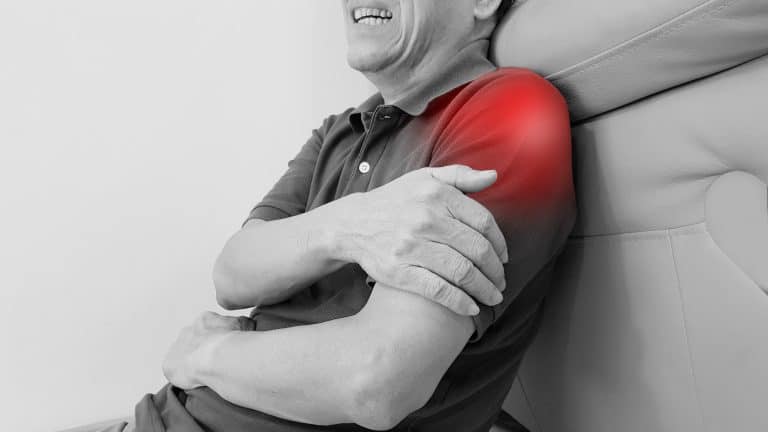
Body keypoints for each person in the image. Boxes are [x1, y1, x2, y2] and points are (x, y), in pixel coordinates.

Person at [84, 0, 576, 431]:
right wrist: (350, 225)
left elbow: (374, 382)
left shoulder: (511, 111)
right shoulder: (339, 132)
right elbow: (232, 275)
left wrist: (203, 355)